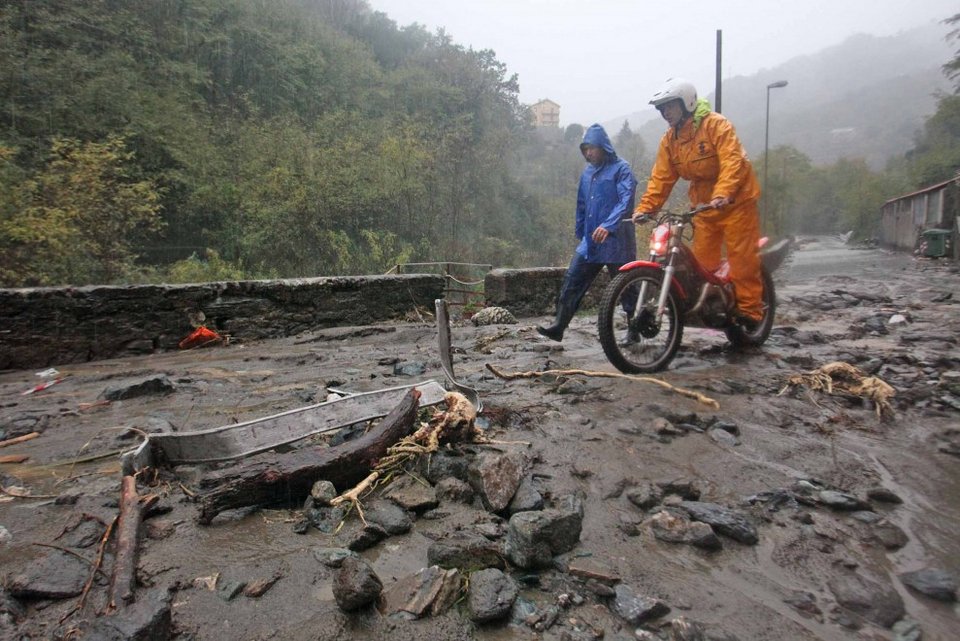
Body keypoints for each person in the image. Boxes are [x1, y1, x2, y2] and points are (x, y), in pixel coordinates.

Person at [632, 78, 764, 329]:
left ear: (686, 103)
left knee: (741, 257)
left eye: (670, 106)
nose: (665, 113)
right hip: (704, 205)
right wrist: (646, 209)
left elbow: (732, 161)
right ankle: (710, 305)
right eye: (662, 109)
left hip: (736, 200)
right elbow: (661, 178)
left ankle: (751, 311)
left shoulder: (716, 125)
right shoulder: (669, 141)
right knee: (702, 263)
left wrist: (724, 192)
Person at [537, 124, 637, 341]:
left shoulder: (622, 169)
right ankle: (559, 325)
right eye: (585, 149)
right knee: (573, 278)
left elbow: (626, 201)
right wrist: (580, 231)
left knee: (626, 286)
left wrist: (608, 225)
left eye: (592, 148)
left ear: (604, 147)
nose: (589, 153)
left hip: (617, 240)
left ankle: (634, 329)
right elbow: (582, 204)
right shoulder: (587, 173)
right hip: (591, 240)